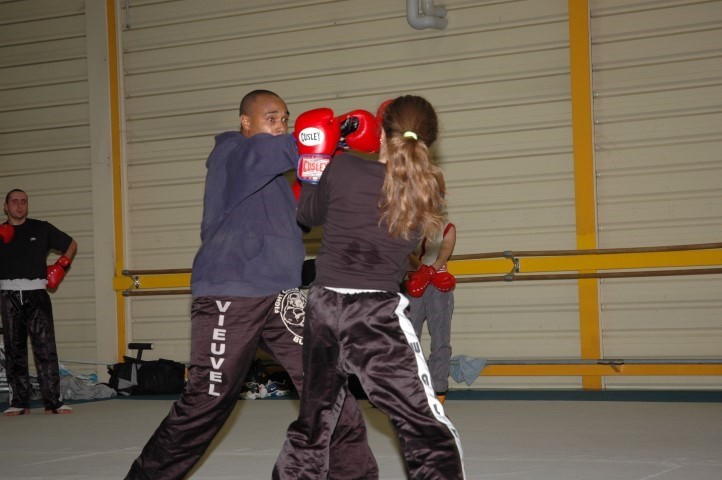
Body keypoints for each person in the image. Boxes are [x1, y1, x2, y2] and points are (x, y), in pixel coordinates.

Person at [125, 90, 378, 480]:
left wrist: (335, 151)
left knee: (328, 386)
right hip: (232, 293)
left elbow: (306, 213)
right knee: (208, 400)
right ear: (245, 122)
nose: (281, 126)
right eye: (271, 118)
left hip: (282, 296)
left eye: (285, 119)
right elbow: (274, 151)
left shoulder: (275, 181)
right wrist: (336, 129)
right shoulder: (232, 152)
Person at [274, 95, 466, 479]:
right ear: (428, 141)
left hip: (323, 308)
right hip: (375, 316)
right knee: (423, 423)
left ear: (380, 132)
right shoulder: (425, 191)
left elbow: (306, 214)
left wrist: (318, 159)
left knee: (314, 422)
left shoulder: (343, 167)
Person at [1, 189, 78, 416]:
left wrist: (61, 266)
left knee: (45, 347)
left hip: (37, 293)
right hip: (8, 294)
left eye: (24, 201)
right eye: (15, 202)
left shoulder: (41, 228)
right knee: (14, 349)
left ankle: (53, 402)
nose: (19, 205)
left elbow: (71, 244)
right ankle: (19, 402)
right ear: (6, 206)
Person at [405, 221, 457, 404]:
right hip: (413, 282)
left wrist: (429, 271)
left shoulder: (447, 227)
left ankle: (438, 391)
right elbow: (406, 251)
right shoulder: (408, 227)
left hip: (439, 285)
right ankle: (410, 389)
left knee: (441, 340)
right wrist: (421, 270)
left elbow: (444, 253)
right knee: (409, 339)